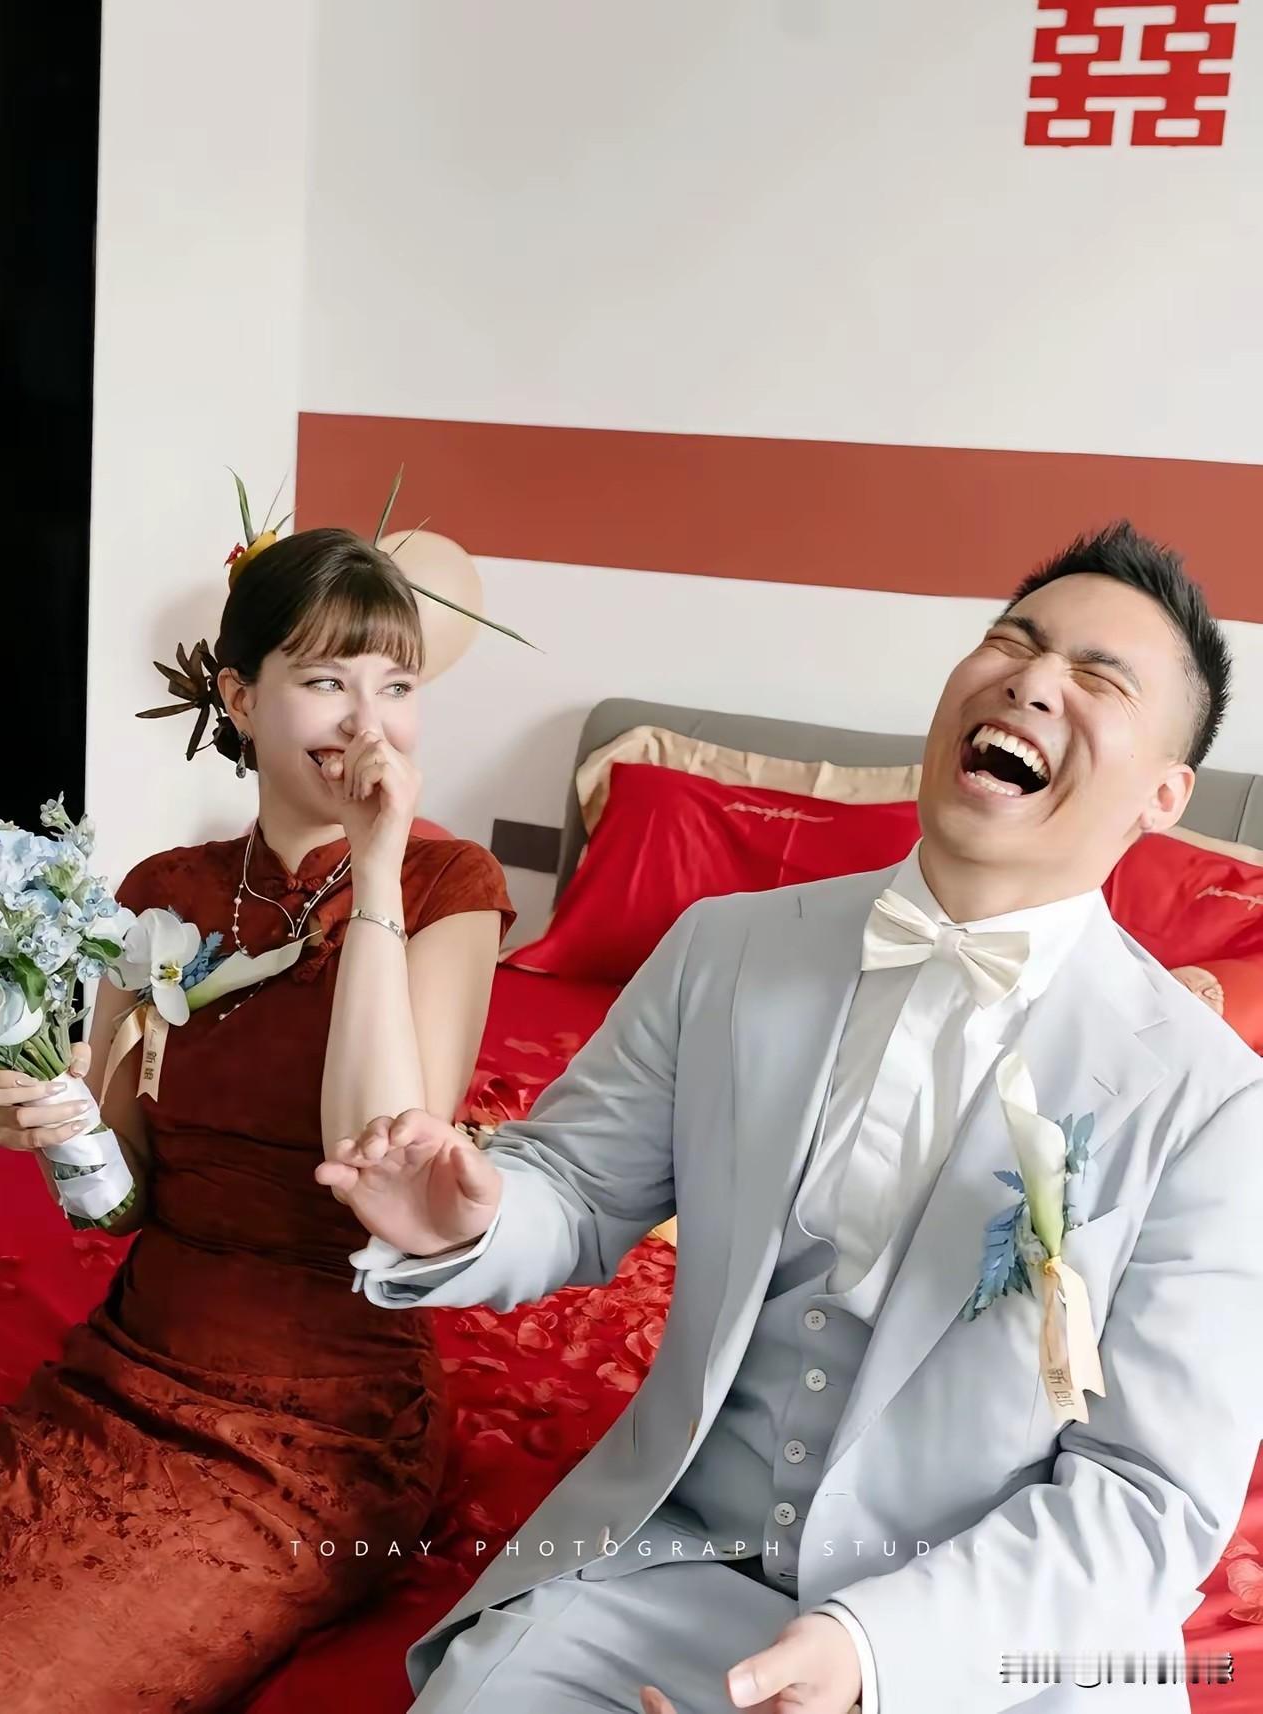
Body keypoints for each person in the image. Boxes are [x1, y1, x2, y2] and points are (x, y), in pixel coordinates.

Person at [321, 522, 1263, 1714]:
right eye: (1011, 641)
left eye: (1096, 678)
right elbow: (578, 1189)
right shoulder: (723, 947)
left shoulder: (1209, 1100)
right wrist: (477, 1215)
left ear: (1163, 796)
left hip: (983, 1640)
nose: (1030, 681)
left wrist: (871, 1654)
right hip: (672, 1566)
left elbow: (1146, 1499)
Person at [0, 525, 515, 1713]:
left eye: (397, 686)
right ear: (240, 696)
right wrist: (50, 1120)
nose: (367, 723)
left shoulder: (450, 890)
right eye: (326, 681)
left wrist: (375, 870)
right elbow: (118, 1203)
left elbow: (377, 1172)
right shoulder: (160, 893)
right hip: (125, 1368)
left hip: (319, 1426)